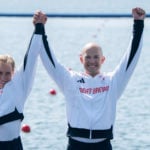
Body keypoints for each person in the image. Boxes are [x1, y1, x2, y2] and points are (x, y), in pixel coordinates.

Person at [33, 7, 145, 150]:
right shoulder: (70, 80)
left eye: (96, 57)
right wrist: (40, 27)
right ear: (81, 59)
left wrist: (138, 23)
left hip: (103, 145)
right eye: (88, 57)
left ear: (103, 59)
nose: (92, 61)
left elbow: (131, 59)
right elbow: (50, 62)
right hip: (75, 145)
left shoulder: (113, 81)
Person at [0, 13, 47, 150]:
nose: (3, 77)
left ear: (14, 73)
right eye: (0, 73)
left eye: (7, 73)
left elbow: (31, 57)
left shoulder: (20, 86)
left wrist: (38, 27)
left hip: (13, 145)